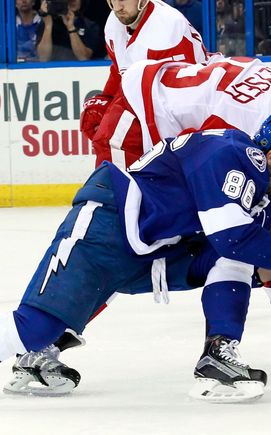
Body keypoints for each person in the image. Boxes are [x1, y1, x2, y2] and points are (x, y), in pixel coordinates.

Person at [1, 111, 271, 402]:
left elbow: (258, 262)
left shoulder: (261, 194)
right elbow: (231, 235)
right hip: (108, 225)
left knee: (235, 259)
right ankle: (33, 355)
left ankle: (218, 356)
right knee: (35, 328)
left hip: (154, 251)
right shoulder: (231, 154)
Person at [4, 0, 212, 396]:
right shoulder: (118, 25)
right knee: (107, 251)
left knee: (242, 234)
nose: (117, 4)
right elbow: (123, 75)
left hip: (173, 154)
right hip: (140, 153)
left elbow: (174, 100)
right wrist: (104, 98)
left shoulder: (166, 28)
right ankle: (44, 339)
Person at [79, 0, 208, 149]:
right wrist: (106, 101)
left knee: (113, 140)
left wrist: (114, 116)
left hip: (188, 107)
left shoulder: (168, 26)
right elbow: (120, 70)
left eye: (123, 0)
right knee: (106, 135)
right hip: (152, 104)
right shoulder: (115, 22)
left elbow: (184, 97)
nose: (118, 7)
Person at [36, 0, 103, 61]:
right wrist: (48, 26)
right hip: (53, 70)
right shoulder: (47, 22)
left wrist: (71, 27)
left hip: (80, 71)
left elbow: (83, 57)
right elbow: (43, 58)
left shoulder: (90, 26)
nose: (73, 1)